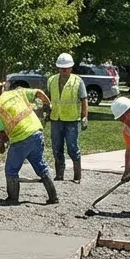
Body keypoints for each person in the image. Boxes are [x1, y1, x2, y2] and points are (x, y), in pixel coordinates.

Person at [0, 78, 58, 205]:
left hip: (21, 139)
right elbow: (39, 93)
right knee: (40, 165)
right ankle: (53, 197)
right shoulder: (17, 92)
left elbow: (2, 135)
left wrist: (3, 143)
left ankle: (12, 198)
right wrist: (48, 106)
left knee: (11, 169)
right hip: (37, 133)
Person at [46, 52, 88, 183]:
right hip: (56, 119)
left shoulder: (77, 81)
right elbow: (47, 98)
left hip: (72, 120)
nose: (64, 70)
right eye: (62, 68)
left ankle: (77, 175)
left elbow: (84, 99)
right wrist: (46, 112)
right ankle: (59, 174)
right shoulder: (51, 80)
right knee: (57, 147)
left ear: (71, 67)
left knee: (72, 147)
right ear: (58, 68)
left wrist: (84, 116)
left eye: (67, 68)